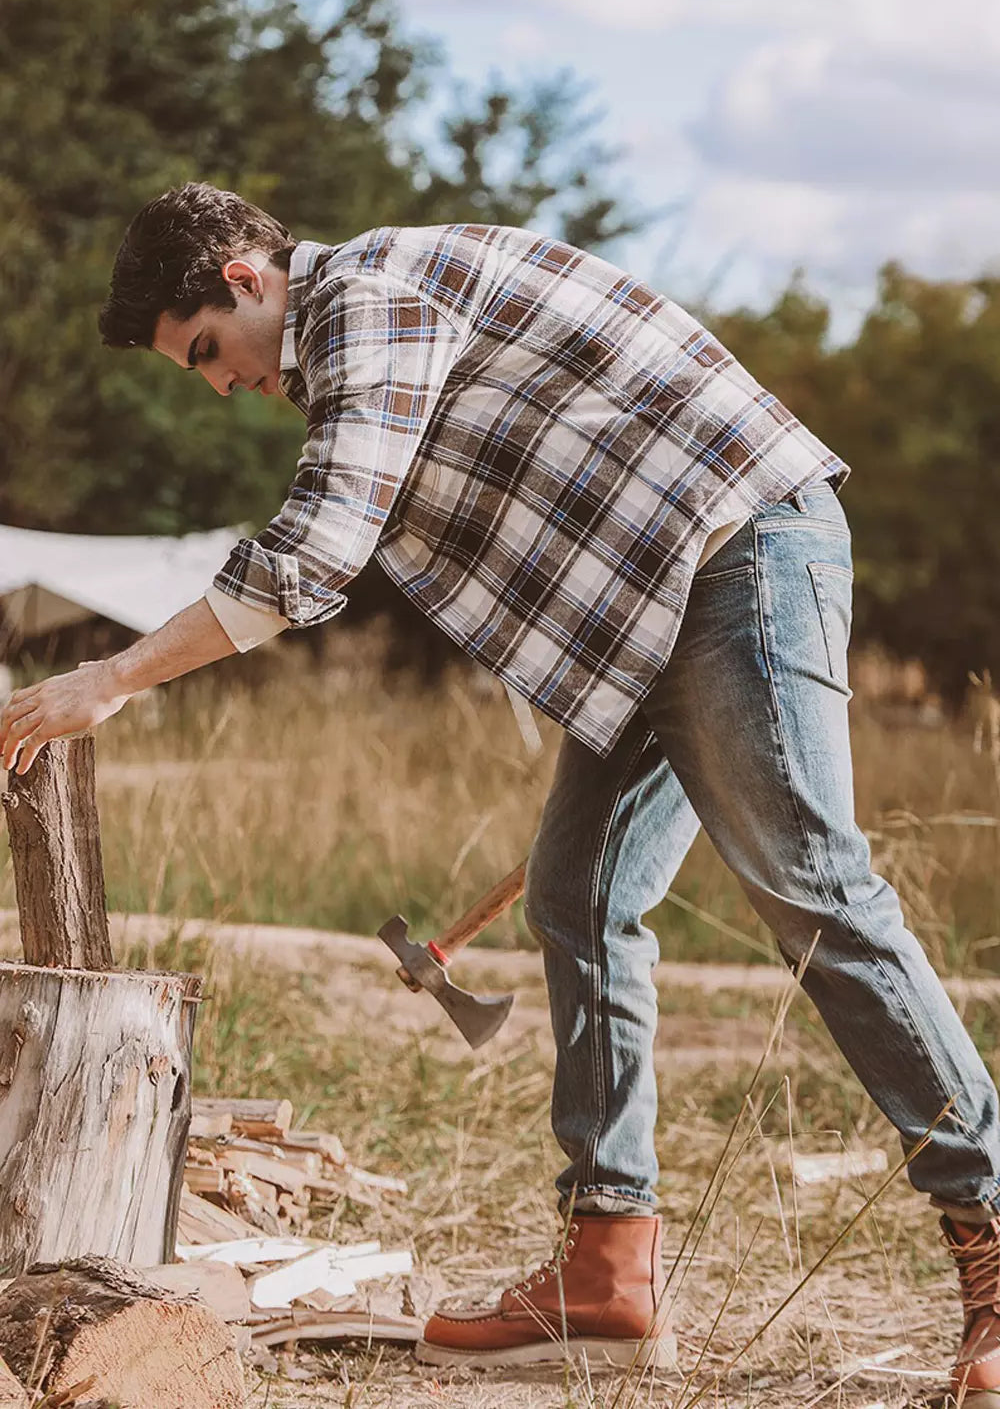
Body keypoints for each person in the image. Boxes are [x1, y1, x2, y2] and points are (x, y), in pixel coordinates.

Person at [1, 183, 998, 1397]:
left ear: (247, 278)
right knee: (576, 897)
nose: (218, 384)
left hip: (738, 552)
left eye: (206, 350)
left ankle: (990, 1239)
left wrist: (111, 677)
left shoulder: (364, 299)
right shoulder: (359, 328)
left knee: (815, 892)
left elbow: (316, 551)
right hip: (654, 611)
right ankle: (608, 1270)